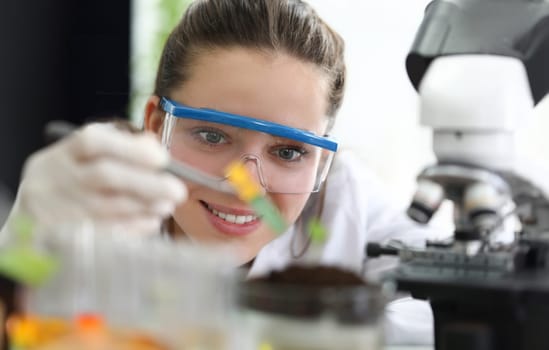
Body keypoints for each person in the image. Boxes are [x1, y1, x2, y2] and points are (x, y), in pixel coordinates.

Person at [0, 0, 438, 345]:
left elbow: (443, 306)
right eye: (211, 137)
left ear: (323, 160)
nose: (243, 186)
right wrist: (20, 250)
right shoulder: (93, 197)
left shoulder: (343, 199)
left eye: (288, 151)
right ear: (156, 125)